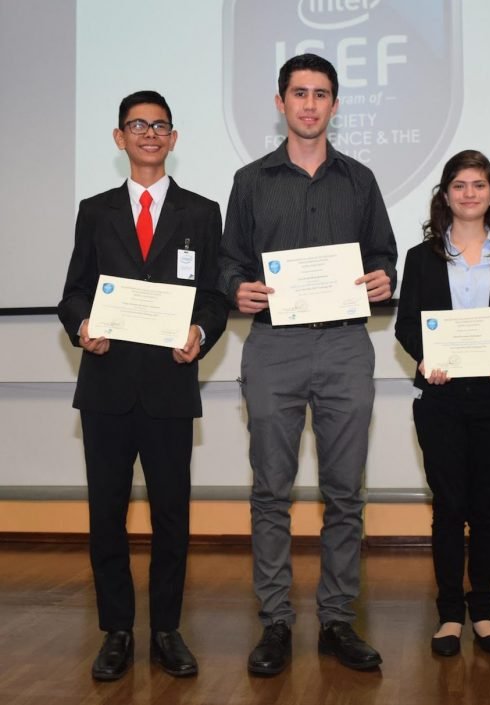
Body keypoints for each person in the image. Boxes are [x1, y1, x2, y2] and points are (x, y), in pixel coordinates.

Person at [218, 53, 397, 674]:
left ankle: (338, 620)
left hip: (346, 344)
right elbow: (229, 262)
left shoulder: (360, 179)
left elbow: (384, 256)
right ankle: (275, 622)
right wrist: (235, 288)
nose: (311, 104)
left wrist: (383, 281)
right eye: (300, 93)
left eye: (322, 94)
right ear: (280, 103)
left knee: (345, 493)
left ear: (336, 105)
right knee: (271, 491)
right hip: (273, 346)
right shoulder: (249, 181)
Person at [58, 90, 229, 681]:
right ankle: (116, 632)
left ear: (174, 138)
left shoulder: (202, 213)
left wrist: (201, 332)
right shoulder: (95, 210)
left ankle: (165, 630)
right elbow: (74, 289)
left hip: (168, 388)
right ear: (119, 137)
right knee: (106, 515)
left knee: (171, 518)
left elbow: (214, 296)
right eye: (138, 125)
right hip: (106, 387)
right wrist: (82, 325)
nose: (149, 134)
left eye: (160, 126)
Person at [395, 150, 490, 657]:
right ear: (446, 195)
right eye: (459, 185)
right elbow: (406, 324)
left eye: (479, 184)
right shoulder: (421, 257)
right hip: (441, 400)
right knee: (449, 509)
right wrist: (426, 356)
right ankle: (450, 613)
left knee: (488, 511)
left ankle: (485, 613)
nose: (470, 193)